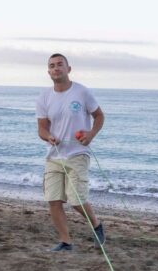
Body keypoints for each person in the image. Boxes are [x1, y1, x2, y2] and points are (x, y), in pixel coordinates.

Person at [35, 53, 105, 252]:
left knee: (76, 200)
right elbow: (41, 128)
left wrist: (91, 134)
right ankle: (66, 242)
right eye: (52, 66)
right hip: (54, 156)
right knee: (53, 200)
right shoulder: (44, 97)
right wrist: (48, 137)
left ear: (68, 69)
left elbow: (99, 116)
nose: (56, 68)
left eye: (60, 64)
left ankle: (97, 225)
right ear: (48, 72)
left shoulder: (82, 92)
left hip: (78, 154)